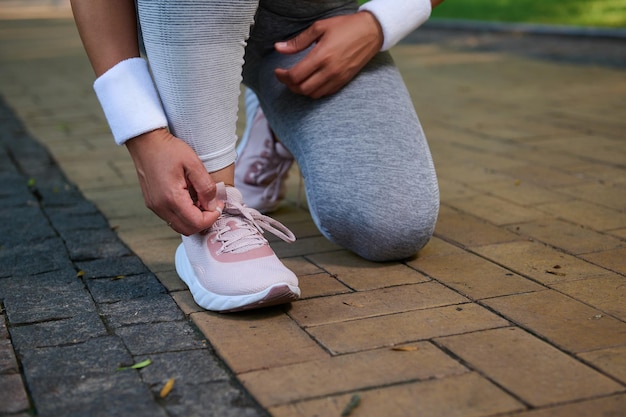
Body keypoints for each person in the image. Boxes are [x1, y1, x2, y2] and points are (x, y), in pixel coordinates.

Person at [70, 0, 443, 313]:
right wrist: (141, 132)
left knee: (392, 224)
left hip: (306, 27)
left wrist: (381, 20)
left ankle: (275, 113)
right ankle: (214, 210)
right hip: (186, 18)